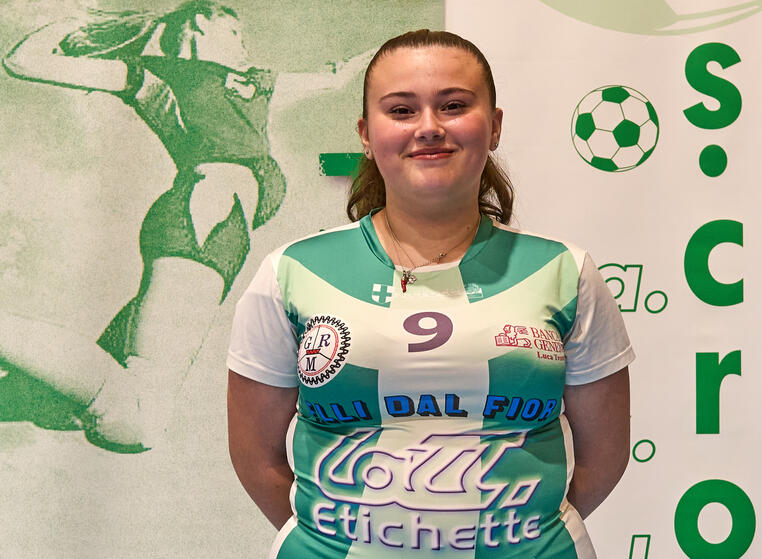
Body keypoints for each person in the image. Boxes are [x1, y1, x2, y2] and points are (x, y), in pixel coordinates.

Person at [227, 29, 634, 558]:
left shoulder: (566, 271)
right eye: (401, 110)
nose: (428, 127)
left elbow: (605, 457)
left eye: (454, 105)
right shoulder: (290, 272)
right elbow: (256, 459)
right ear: (366, 134)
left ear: (494, 126)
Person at [0, 0, 371, 452]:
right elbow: (23, 61)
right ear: (198, 26)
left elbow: (334, 76)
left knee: (58, 408)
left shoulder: (256, 85)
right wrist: (85, 25)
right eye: (234, 34)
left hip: (218, 234)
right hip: (203, 216)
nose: (243, 46)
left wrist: (398, 50)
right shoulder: (157, 76)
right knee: (134, 416)